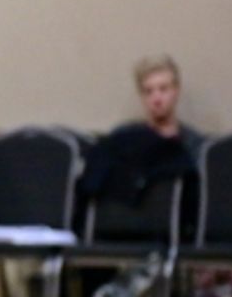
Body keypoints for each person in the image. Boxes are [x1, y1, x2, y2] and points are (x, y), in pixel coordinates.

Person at [79, 54, 205, 208]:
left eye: (163, 89)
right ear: (142, 96)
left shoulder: (195, 144)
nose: (156, 98)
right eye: (149, 91)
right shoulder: (122, 139)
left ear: (176, 91)